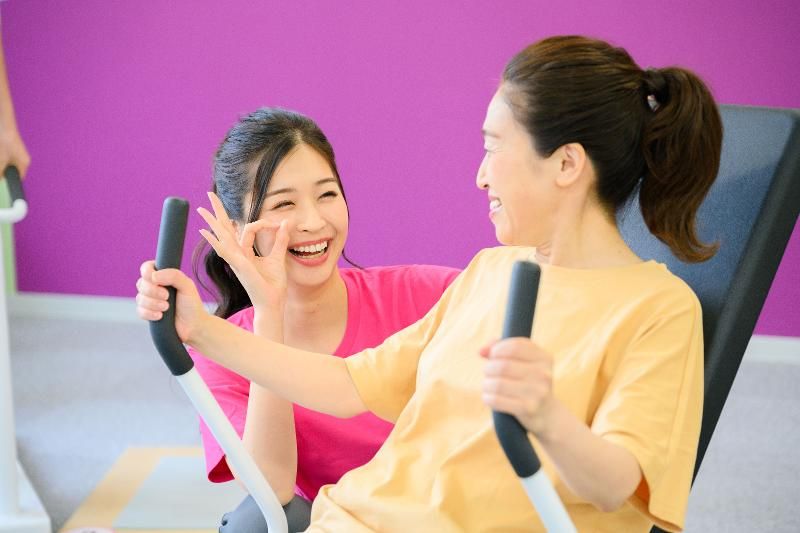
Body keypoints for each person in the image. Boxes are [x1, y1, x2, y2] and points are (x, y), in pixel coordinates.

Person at [137, 35, 722, 532]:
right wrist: (201, 330)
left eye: (493, 149)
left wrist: (548, 418)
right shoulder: (493, 271)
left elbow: (618, 486)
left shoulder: (659, 309)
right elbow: (348, 384)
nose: (480, 175)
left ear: (566, 164)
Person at [136, 108, 459, 531]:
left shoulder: (427, 294)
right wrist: (269, 314)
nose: (313, 222)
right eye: (284, 203)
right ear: (235, 230)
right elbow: (271, 492)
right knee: (252, 524)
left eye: (327, 194)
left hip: (439, 517)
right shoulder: (222, 351)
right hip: (334, 526)